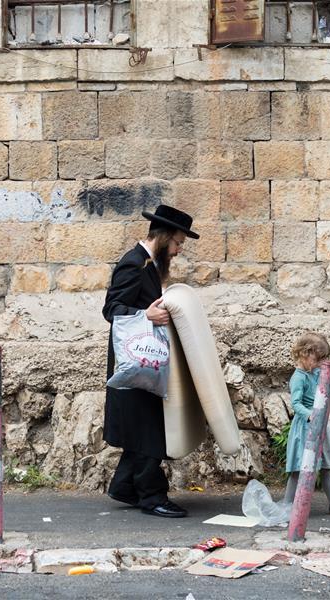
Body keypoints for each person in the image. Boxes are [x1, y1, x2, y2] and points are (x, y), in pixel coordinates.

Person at [102, 204, 198, 518]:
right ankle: (152, 496)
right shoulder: (134, 264)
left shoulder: (148, 265)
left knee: (143, 426)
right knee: (150, 428)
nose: (178, 250)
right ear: (164, 236)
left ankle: (124, 487)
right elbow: (112, 309)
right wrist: (145, 314)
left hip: (148, 359)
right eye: (178, 243)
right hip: (137, 361)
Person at [282, 332, 330, 515]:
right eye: (318, 359)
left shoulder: (314, 371)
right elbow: (296, 404)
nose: (321, 364)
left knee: (326, 467)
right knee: (299, 469)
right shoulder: (298, 377)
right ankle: (287, 506)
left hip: (321, 425)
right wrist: (311, 416)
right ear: (305, 354)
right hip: (306, 427)